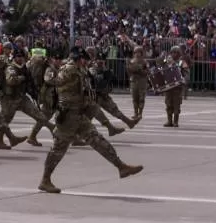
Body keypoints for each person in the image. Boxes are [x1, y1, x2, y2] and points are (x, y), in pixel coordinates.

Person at [39, 47, 143, 194]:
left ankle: (121, 167)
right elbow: (54, 81)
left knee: (97, 140)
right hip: (68, 117)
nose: (87, 61)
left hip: (79, 115)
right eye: (84, 58)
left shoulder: (79, 70)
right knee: (58, 150)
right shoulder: (70, 69)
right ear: (78, 58)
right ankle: (45, 180)